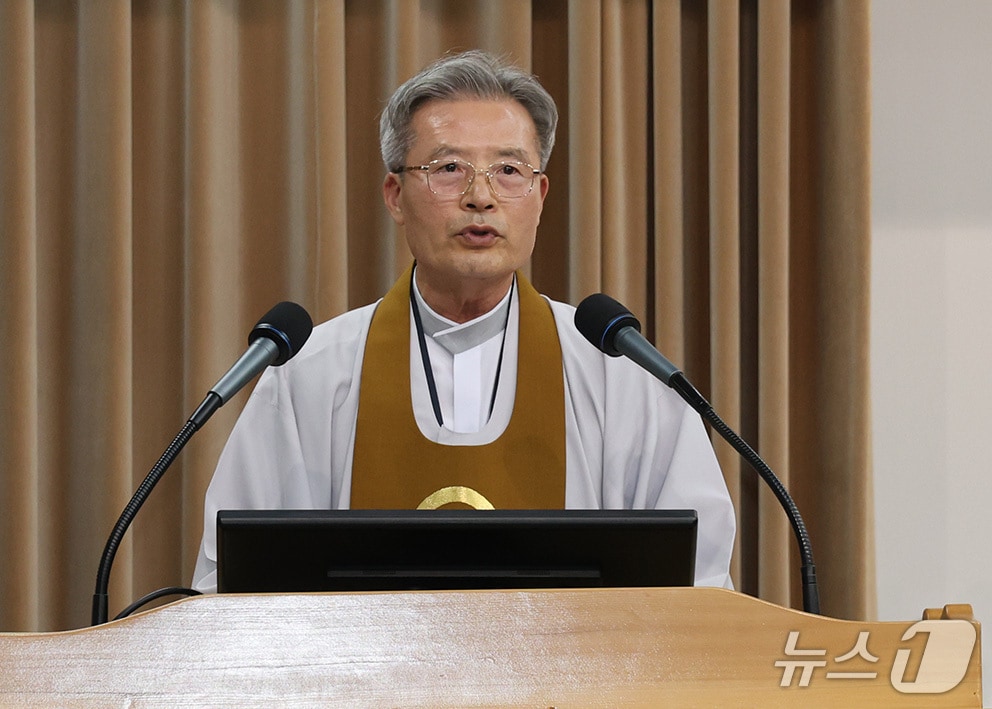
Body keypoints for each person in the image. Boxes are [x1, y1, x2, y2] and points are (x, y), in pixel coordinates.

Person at [191, 50, 735, 592]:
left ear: (540, 197)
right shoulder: (311, 372)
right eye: (449, 169)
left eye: (509, 171)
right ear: (395, 195)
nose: (481, 198)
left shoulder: (619, 375)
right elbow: (234, 584)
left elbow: (700, 588)